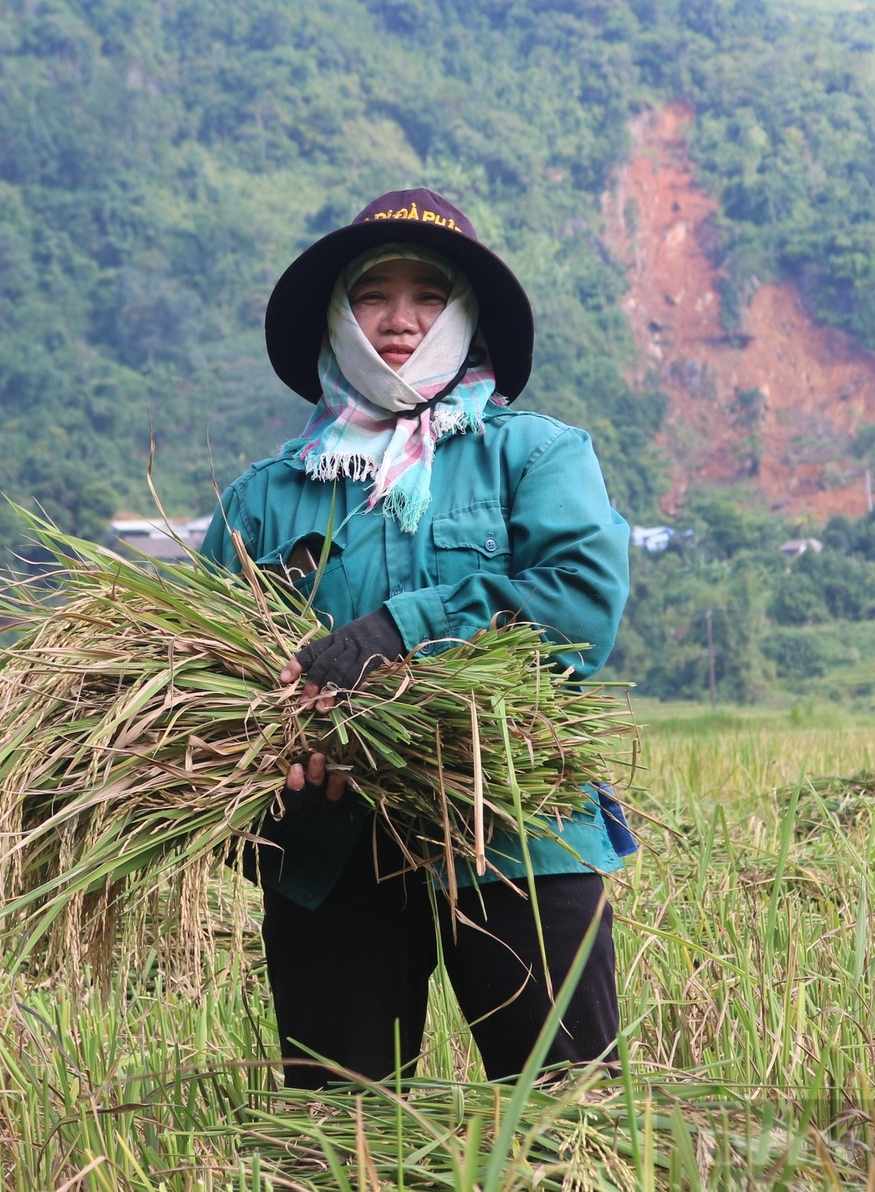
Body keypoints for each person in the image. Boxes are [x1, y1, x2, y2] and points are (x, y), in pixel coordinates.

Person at [199, 188, 633, 1089]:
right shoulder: (266, 497)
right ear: (338, 316)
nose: (400, 320)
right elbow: (204, 681)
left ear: (465, 314)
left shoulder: (536, 457)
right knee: (341, 1146)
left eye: (428, 294)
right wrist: (274, 776)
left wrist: (405, 627)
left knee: (567, 1124)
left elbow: (580, 605)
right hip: (329, 854)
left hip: (515, 832)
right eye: (372, 295)